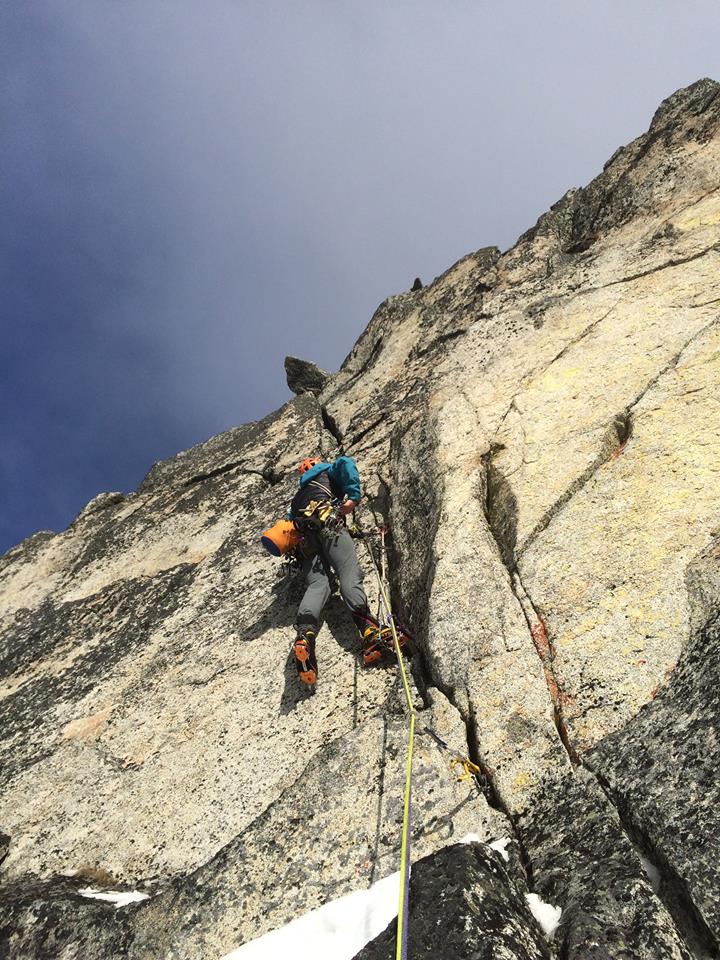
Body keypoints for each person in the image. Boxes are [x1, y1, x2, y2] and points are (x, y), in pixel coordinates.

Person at [288, 455, 392, 685]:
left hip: (306, 544)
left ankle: (305, 634)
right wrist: (352, 498)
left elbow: (289, 528)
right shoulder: (327, 471)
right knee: (347, 573)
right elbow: (345, 462)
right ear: (318, 465)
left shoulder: (297, 500)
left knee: (318, 585)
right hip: (330, 526)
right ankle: (368, 629)